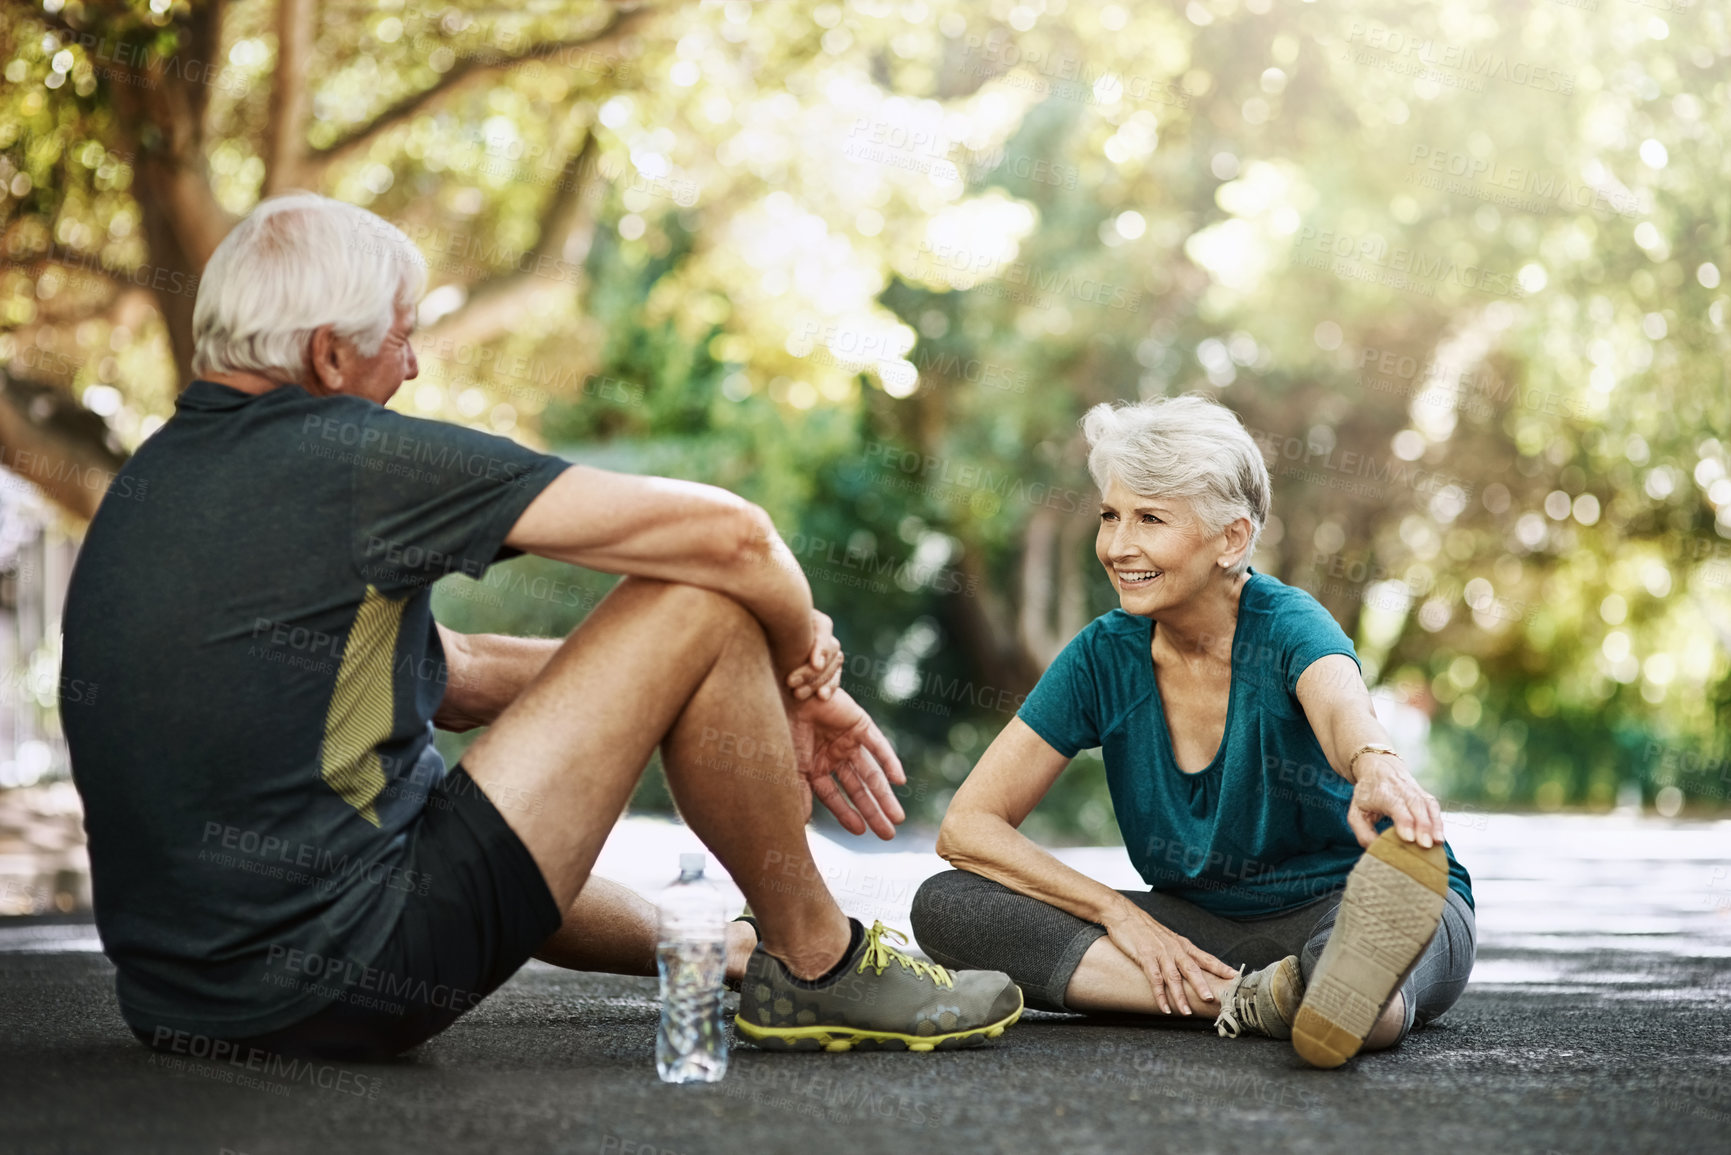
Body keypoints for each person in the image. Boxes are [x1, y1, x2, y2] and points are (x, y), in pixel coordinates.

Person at [58, 192, 1022, 1061]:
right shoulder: (348, 458)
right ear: (327, 354)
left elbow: (463, 673)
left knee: (533, 725)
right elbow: (734, 538)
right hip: (344, 978)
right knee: (705, 600)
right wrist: (801, 666)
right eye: (401, 338)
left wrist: (715, 692)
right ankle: (817, 962)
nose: (415, 364)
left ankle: (732, 952)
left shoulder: (153, 482)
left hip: (184, 1004)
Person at [910, 395, 1475, 1068]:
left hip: (1343, 902)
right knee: (948, 904)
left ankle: (1337, 997)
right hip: (1203, 926)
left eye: (1149, 518)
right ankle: (1258, 1001)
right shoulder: (1102, 656)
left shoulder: (1288, 624)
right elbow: (968, 827)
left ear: (1231, 538)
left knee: (1360, 988)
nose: (1118, 546)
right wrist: (1121, 915)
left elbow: (1338, 704)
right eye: (1109, 516)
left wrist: (1375, 761)